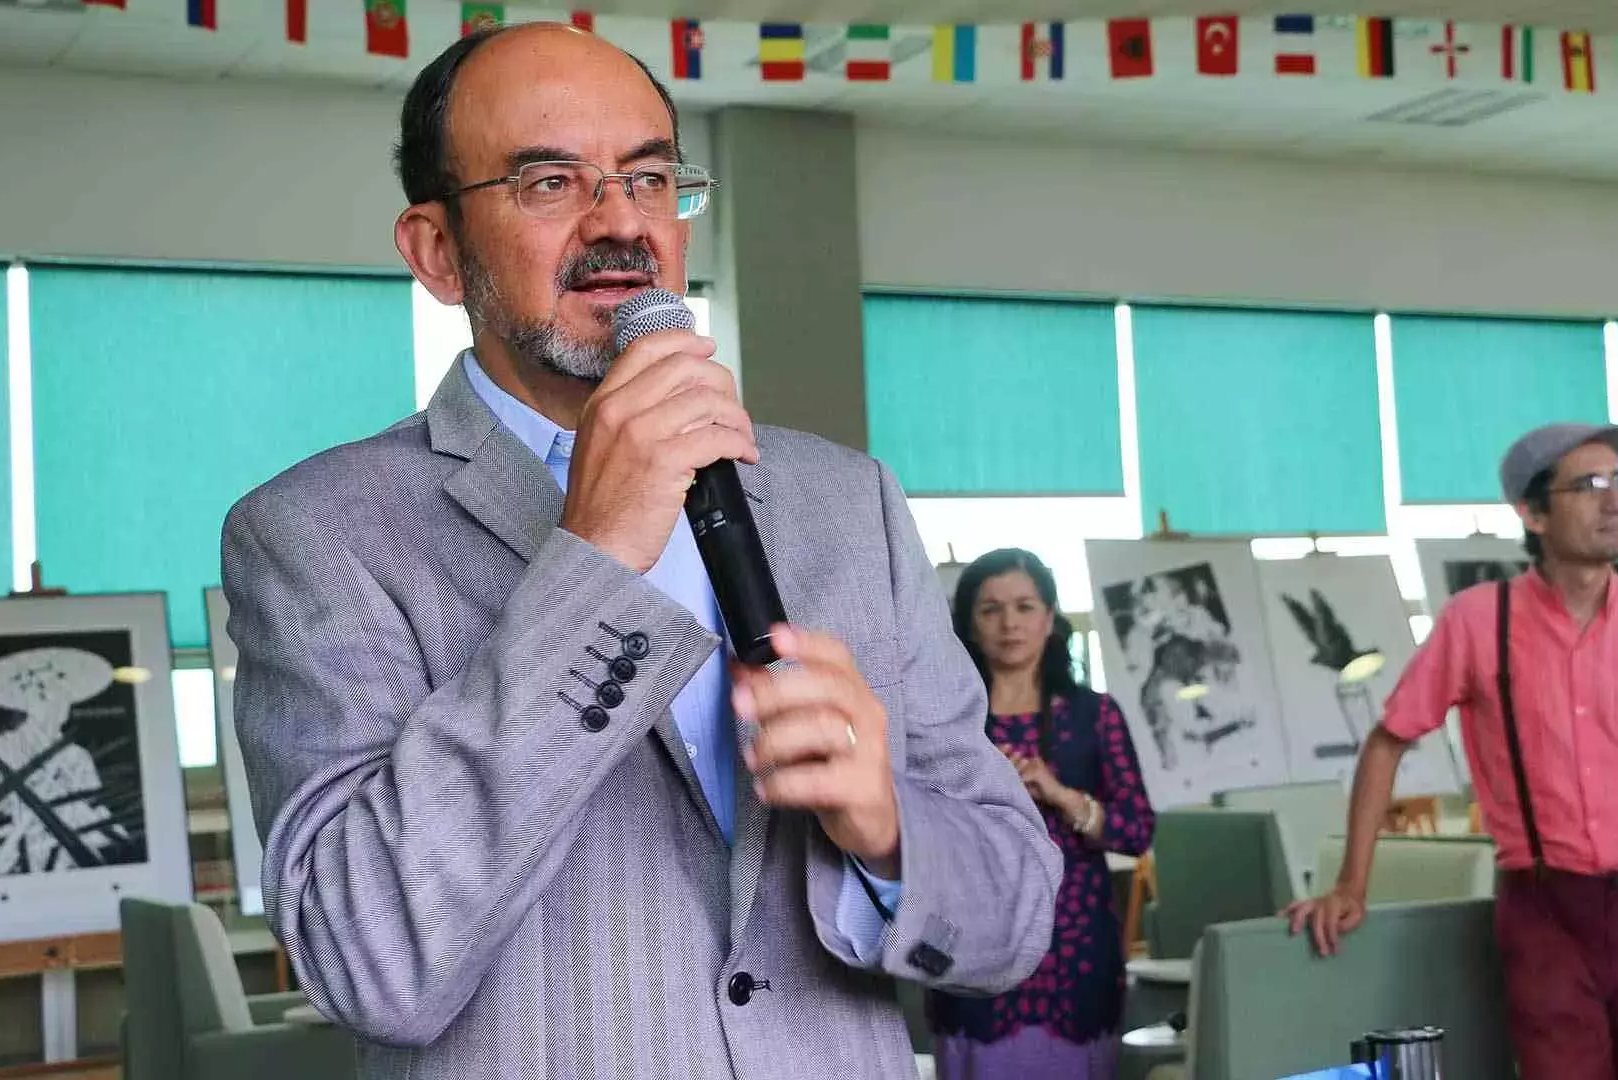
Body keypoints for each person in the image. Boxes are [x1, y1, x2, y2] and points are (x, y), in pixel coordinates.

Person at [219, 24, 1059, 1080]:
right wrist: (596, 556)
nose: (620, 221)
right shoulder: (316, 535)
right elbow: (370, 963)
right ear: (438, 252)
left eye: (651, 176)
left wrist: (888, 825)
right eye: (549, 181)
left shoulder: (848, 502)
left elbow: (1018, 919)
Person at [1286, 423, 1618, 1080]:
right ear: (1533, 513)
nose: (1615, 500)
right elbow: (1388, 742)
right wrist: (1350, 885)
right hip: (1546, 913)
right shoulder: (1478, 623)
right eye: (1589, 486)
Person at [928, 549, 1156, 1079]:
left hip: (1074, 954)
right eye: (990, 609)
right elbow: (915, 828)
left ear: (1050, 618)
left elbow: (1137, 830)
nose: (1010, 623)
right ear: (967, 623)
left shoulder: (1094, 714)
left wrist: (1061, 795)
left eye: (1025, 606)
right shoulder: (944, 718)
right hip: (970, 944)